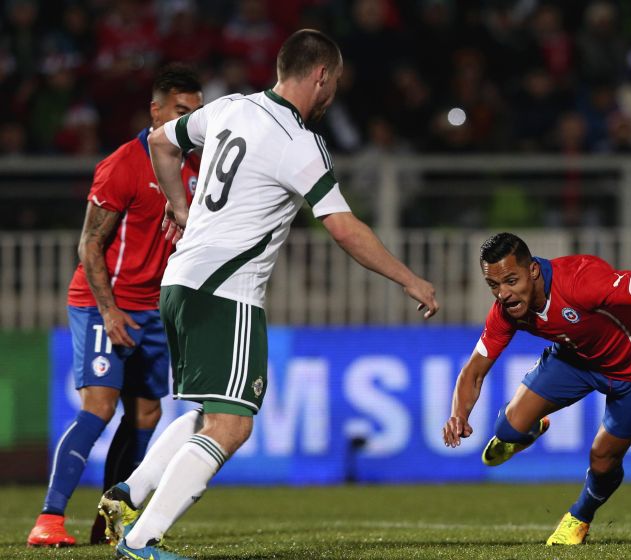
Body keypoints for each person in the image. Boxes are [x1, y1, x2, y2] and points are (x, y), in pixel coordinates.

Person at [98, 29, 439, 560]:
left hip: (180, 281)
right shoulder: (298, 141)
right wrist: (409, 279)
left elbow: (162, 141)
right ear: (321, 75)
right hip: (223, 291)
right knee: (232, 424)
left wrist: (179, 205)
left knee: (212, 412)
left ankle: (129, 493)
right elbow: (343, 226)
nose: (334, 93)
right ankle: (141, 542)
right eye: (336, 81)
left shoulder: (231, 106)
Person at [26, 65, 203, 548]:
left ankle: (110, 520)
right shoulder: (124, 163)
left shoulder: (195, 169)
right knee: (99, 407)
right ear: (156, 110)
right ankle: (49, 519)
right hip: (105, 302)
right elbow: (89, 244)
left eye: (196, 114)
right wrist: (108, 311)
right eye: (181, 112)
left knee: (146, 415)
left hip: (154, 309)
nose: (189, 122)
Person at [442, 232, 631, 546]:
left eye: (511, 281)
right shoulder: (506, 310)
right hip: (578, 359)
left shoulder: (581, 281)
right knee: (507, 429)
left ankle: (580, 517)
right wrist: (458, 414)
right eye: (494, 285)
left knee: (602, 458)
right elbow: (473, 370)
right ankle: (528, 431)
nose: (503, 294)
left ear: (533, 271)